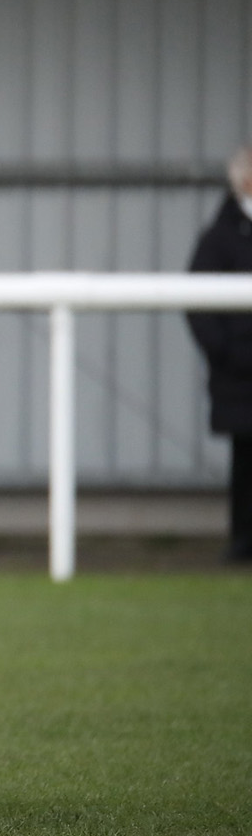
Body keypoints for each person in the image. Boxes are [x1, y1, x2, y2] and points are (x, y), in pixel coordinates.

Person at [187, 143, 252, 564]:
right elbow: (198, 303)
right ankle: (244, 541)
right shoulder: (220, 236)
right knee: (246, 461)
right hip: (241, 376)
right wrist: (229, 355)